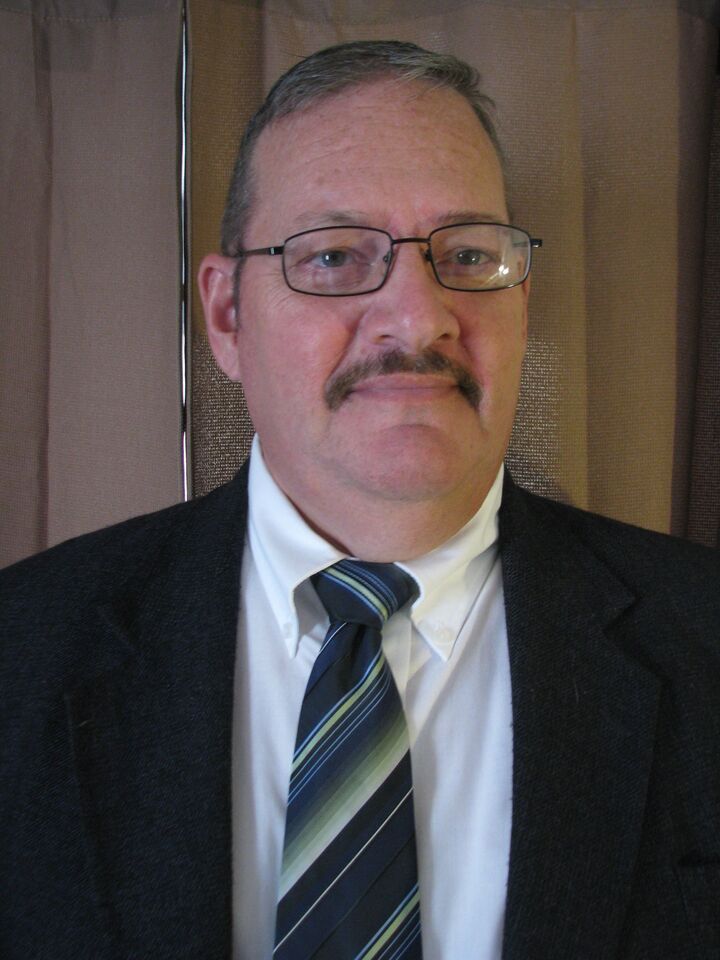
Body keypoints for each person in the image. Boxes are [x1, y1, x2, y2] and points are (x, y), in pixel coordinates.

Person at [1, 40, 718, 960]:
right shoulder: (22, 654)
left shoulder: (702, 638)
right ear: (227, 315)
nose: (418, 318)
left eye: (468, 254)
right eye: (335, 255)